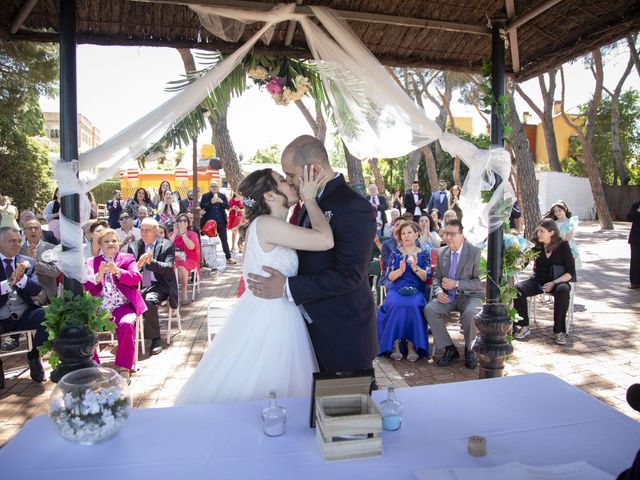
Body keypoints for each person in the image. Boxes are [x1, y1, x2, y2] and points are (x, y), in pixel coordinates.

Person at [175, 166, 330, 404]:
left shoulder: (266, 224)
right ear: (269, 195)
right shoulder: (266, 224)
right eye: (282, 180)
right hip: (271, 319)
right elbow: (325, 240)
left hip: (273, 312)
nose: (291, 182)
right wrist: (309, 199)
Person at [246, 135, 378, 373]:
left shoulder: (353, 207)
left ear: (314, 170)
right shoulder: (309, 201)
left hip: (341, 330)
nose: (289, 182)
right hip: (304, 330)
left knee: (351, 404)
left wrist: (288, 287)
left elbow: (350, 275)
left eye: (291, 175)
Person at [84, 229, 147, 379]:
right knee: (83, 324)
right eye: (106, 241)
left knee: (126, 324)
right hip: (99, 308)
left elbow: (136, 278)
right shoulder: (91, 262)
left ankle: (124, 366)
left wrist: (117, 271)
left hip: (122, 306)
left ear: (118, 243)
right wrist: (97, 277)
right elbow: (86, 286)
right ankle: (94, 365)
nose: (110, 244)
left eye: (113, 241)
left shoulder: (127, 258)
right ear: (99, 245)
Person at [423, 219, 483, 369]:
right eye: (445, 234)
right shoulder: (441, 252)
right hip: (448, 297)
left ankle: (470, 350)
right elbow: (436, 278)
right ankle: (449, 348)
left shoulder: (475, 252)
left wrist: (457, 284)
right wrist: (437, 292)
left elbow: (480, 282)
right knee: (429, 309)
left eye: (452, 234)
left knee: (470, 313)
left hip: (471, 296)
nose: (448, 237)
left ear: (462, 235)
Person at [512, 219, 576, 345]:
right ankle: (524, 326)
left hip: (558, 282)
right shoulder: (536, 245)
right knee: (518, 288)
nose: (538, 233)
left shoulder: (563, 245)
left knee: (563, 291)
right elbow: (522, 263)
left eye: (542, 231)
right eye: (538, 231)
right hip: (538, 281)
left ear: (551, 232)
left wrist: (554, 283)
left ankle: (559, 331)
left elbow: (570, 273)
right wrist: (512, 258)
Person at [377, 221, 431, 362]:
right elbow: (389, 276)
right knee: (396, 302)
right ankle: (395, 344)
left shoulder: (424, 254)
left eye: (409, 233)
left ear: (416, 234)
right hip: (396, 288)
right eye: (403, 233)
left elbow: (427, 277)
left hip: (416, 290)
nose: (406, 236)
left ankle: (411, 345)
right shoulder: (395, 254)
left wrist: (415, 268)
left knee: (414, 303)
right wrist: (400, 271)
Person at [0, 227, 46, 388]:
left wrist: (21, 279)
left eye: (19, 240)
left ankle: (34, 356)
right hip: (1, 315)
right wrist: (7, 284)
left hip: (24, 313)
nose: (17, 244)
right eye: (11, 241)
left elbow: (36, 290)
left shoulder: (28, 262)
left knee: (46, 315)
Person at [127, 217, 178, 356]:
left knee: (148, 300)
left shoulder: (167, 245)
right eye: (142, 230)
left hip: (160, 284)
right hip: (139, 284)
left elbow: (168, 269)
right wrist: (137, 265)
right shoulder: (134, 246)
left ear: (156, 230)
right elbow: (129, 269)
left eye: (147, 230)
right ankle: (127, 338)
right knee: (123, 300)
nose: (144, 233)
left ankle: (156, 339)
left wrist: (151, 262)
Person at [20, 219, 59, 306]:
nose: (33, 231)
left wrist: (35, 262)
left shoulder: (51, 248)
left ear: (41, 232)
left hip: (46, 293)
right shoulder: (18, 250)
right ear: (24, 232)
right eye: (30, 228)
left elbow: (55, 271)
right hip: (24, 293)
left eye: (36, 228)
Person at [200, 181, 235, 265]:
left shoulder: (222, 196)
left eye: (215, 186)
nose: (214, 188)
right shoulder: (205, 196)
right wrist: (211, 203)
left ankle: (228, 257)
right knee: (210, 242)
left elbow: (228, 207)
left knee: (224, 240)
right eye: (212, 186)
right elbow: (202, 207)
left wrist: (221, 202)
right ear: (210, 187)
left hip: (221, 222)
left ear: (218, 187)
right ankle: (210, 260)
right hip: (209, 223)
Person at [170, 213, 200, 305]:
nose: (182, 222)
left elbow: (191, 247)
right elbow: (166, 247)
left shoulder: (192, 234)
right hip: (174, 259)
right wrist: (175, 233)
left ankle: (184, 292)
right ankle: (169, 294)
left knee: (181, 266)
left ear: (188, 224)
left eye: (184, 221)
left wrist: (183, 235)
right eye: (180, 220)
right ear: (176, 223)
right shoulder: (171, 234)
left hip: (189, 258)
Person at [545, 200, 582, 269]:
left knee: (568, 270)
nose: (557, 213)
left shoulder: (571, 222)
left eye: (559, 210)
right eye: (555, 211)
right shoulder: (554, 223)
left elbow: (568, 238)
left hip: (568, 248)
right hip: (555, 247)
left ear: (565, 210)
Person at [628, 199, 640, 290]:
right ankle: (634, 282)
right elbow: (629, 217)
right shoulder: (636, 205)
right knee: (635, 261)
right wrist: (638, 211)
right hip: (636, 239)